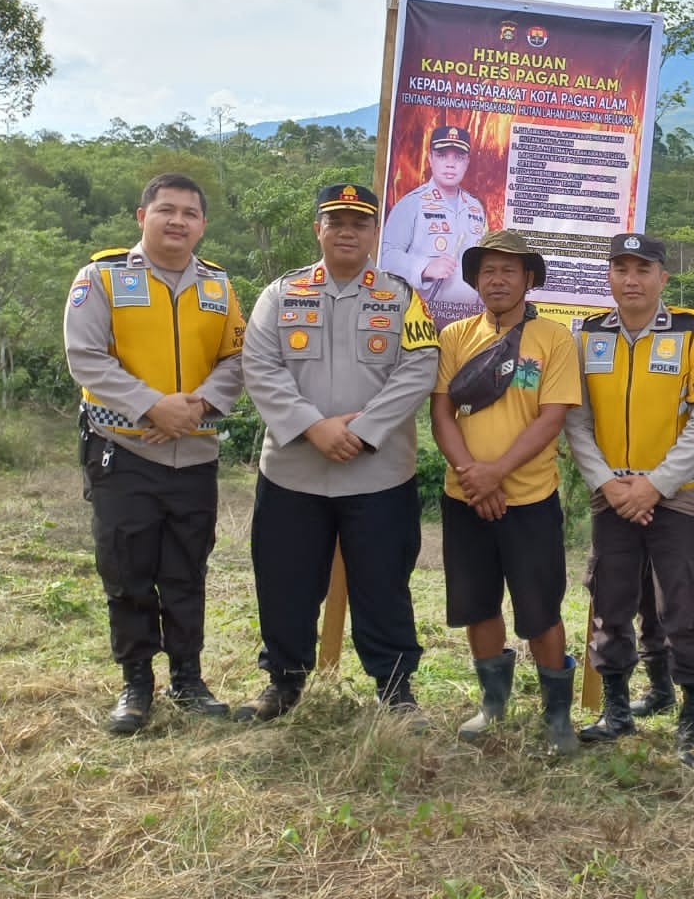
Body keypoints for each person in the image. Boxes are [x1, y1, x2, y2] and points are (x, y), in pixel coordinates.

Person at [233, 184, 440, 723]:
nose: (347, 230)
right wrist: (313, 428)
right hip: (293, 473)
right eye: (336, 221)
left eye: (359, 222)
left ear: (375, 233)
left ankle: (396, 690)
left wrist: (365, 430)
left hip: (379, 473)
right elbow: (259, 366)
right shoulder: (281, 294)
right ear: (317, 230)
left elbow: (419, 367)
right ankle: (283, 681)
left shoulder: (402, 297)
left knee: (383, 587)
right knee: (284, 582)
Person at [63, 173, 245, 735]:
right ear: (141, 216)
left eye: (190, 214)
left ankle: (189, 678)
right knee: (127, 569)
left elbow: (237, 360)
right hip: (122, 451)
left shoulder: (218, 287)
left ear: (202, 226)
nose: (178, 221)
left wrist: (192, 408)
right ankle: (136, 683)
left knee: (187, 570)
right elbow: (86, 356)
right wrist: (150, 407)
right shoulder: (102, 277)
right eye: (166, 210)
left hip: (193, 454)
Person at [563, 233, 694, 767]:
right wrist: (609, 484)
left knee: (686, 608)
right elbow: (576, 420)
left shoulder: (692, 334)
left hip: (675, 494)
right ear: (608, 276)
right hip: (610, 494)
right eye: (620, 269)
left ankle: (692, 722)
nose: (630, 279)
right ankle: (617, 711)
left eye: (643, 269)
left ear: (663, 276)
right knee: (609, 603)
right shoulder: (586, 336)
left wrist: (654, 484)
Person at [430, 229, 583, 754]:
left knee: (540, 609)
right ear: (475, 281)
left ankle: (557, 716)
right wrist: (473, 472)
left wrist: (497, 472)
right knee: (478, 604)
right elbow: (441, 414)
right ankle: (492, 705)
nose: (497, 280)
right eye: (487, 271)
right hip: (465, 494)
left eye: (509, 271)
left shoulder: (554, 339)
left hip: (530, 497)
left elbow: (552, 417)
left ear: (529, 280)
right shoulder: (454, 337)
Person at [379, 124, 488, 314]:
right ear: (430, 158)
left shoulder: (475, 207)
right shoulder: (411, 204)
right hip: (423, 318)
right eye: (442, 155)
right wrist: (425, 267)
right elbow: (386, 257)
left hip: (468, 321)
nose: (450, 164)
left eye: (459, 157)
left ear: (467, 162)